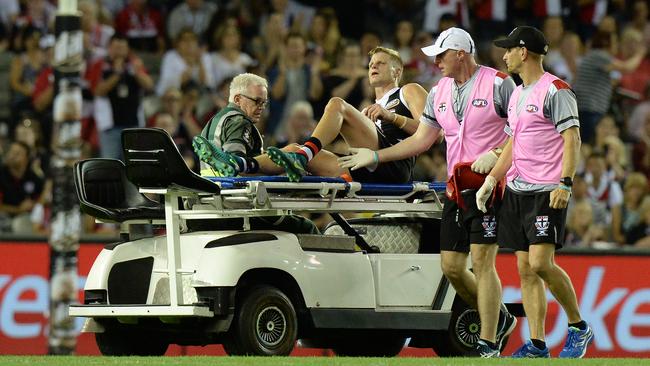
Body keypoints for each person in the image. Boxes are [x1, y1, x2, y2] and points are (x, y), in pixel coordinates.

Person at [338, 27, 517, 357]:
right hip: (456, 187)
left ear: (460, 53)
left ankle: (489, 342)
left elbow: (521, 129)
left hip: (490, 186)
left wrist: (496, 154)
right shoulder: (439, 92)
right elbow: (421, 140)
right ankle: (501, 316)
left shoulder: (498, 83)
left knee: (482, 260)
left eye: (441, 54)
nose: (436, 61)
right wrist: (376, 155)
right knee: (450, 266)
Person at [476, 26, 593, 358]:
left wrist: (565, 183)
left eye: (509, 50)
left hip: (547, 189)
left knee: (541, 263)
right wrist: (492, 180)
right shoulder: (516, 93)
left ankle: (579, 327)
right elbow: (513, 143)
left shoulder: (556, 90)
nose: (504, 55)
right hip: (516, 190)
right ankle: (538, 344)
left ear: (524, 52)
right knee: (526, 268)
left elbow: (573, 138)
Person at [197, 46, 428, 184]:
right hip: (365, 167)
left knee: (338, 105)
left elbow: (433, 135)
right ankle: (239, 165)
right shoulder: (374, 106)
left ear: (397, 71)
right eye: (370, 64)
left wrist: (392, 117)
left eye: (380, 63)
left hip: (394, 165)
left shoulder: (409, 90)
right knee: (291, 150)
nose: (372, 67)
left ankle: (305, 154)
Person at [192, 73, 318, 234]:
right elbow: (237, 173)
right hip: (238, 205)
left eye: (264, 103)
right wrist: (280, 174)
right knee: (307, 227)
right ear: (237, 99)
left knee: (291, 150)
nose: (261, 107)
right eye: (257, 101)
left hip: (210, 200)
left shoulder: (215, 121)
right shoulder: (240, 122)